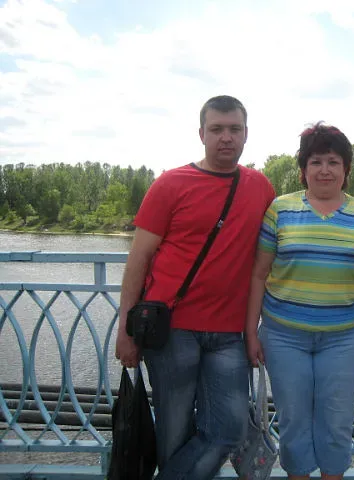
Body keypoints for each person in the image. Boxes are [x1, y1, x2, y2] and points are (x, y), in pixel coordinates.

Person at [114, 95, 275, 480]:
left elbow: (276, 248)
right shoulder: (171, 184)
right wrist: (125, 330)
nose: (226, 137)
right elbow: (138, 260)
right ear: (201, 134)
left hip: (229, 333)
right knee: (174, 433)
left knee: (230, 429)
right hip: (172, 331)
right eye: (217, 129)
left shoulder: (259, 187)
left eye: (234, 129)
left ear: (246, 134)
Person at [244, 123, 354, 480]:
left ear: (346, 169)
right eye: (316, 162)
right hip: (283, 336)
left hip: (345, 339)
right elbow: (259, 274)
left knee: (337, 422)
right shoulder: (280, 210)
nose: (325, 170)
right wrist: (250, 332)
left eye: (333, 162)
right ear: (303, 169)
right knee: (293, 421)